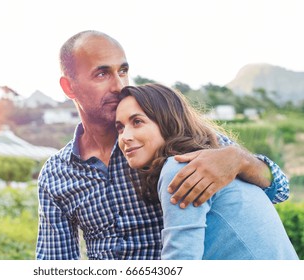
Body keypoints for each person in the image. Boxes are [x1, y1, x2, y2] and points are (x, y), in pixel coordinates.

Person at [36, 30, 290, 260]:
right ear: (69, 87)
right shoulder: (55, 174)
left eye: (123, 71)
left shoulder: (179, 142)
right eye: (102, 74)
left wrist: (240, 160)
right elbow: (55, 264)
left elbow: (279, 190)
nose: (119, 85)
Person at [115, 83, 298, 259]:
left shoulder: (181, 167)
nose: (125, 137)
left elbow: (181, 263)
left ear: (166, 122)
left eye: (137, 122)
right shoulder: (209, 158)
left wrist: (242, 158)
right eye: (120, 128)